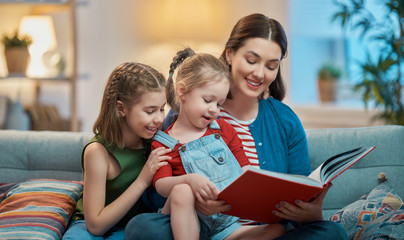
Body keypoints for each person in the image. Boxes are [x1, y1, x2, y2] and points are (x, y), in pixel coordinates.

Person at [125, 14, 348, 240]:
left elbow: (299, 188)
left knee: (332, 233)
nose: (259, 73)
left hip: (259, 231)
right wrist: (193, 199)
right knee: (143, 228)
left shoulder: (285, 120)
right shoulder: (181, 117)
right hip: (198, 228)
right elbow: (156, 194)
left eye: (271, 66)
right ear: (230, 54)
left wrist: (310, 213)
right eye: (252, 61)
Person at [151, 48, 286, 240]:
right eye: (208, 100)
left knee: (277, 230)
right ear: (182, 91)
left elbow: (245, 167)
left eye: (219, 103)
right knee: (181, 190)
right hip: (188, 222)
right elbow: (161, 185)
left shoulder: (222, 128)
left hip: (227, 226)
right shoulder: (164, 142)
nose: (214, 110)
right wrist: (189, 180)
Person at [62, 62, 172, 239]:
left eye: (161, 109)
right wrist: (143, 180)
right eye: (150, 111)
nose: (159, 119)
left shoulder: (155, 142)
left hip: (132, 226)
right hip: (91, 226)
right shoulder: (98, 152)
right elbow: (95, 226)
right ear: (121, 108)